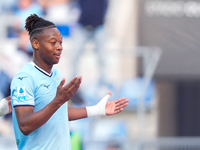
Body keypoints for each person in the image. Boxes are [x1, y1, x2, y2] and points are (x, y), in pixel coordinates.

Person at [10, 14, 129, 150]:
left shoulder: (56, 74)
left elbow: (58, 113)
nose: (59, 47)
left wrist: (96, 109)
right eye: (53, 42)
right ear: (35, 43)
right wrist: (57, 101)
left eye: (61, 42)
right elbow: (25, 125)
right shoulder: (24, 78)